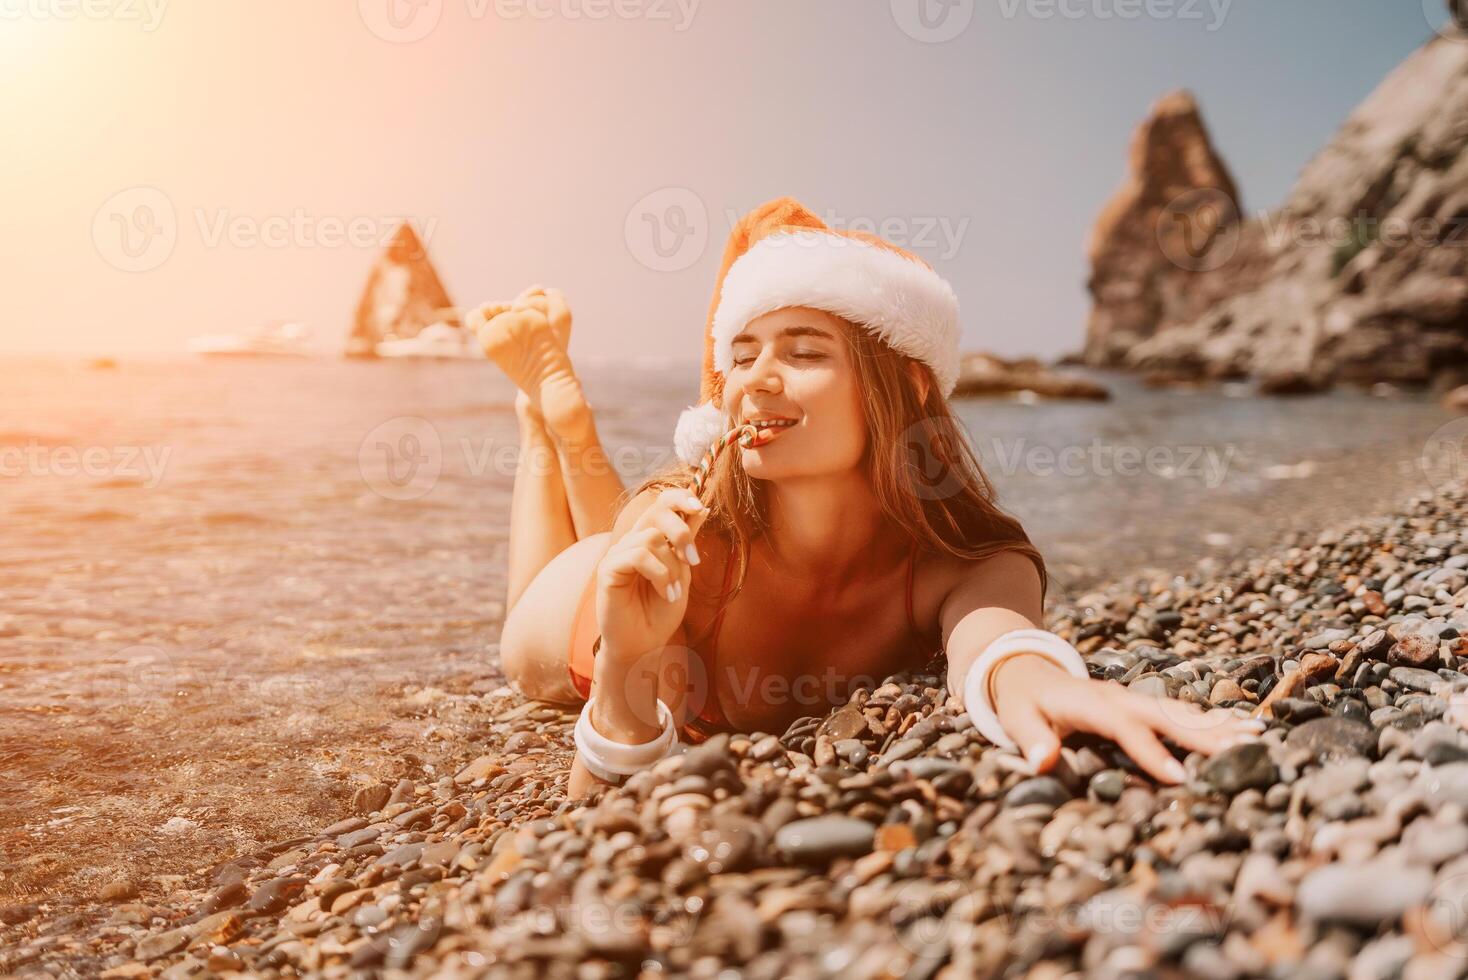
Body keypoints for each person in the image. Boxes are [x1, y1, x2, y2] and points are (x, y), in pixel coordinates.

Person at [476, 197, 1264, 800]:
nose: (754, 377)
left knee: (628, 527)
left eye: (805, 350)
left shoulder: (965, 560)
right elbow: (597, 801)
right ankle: (547, 427)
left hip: (658, 552)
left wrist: (1051, 688)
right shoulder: (689, 545)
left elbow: (998, 647)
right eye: (742, 355)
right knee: (531, 633)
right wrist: (628, 666)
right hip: (596, 613)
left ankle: (560, 421)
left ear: (903, 384)